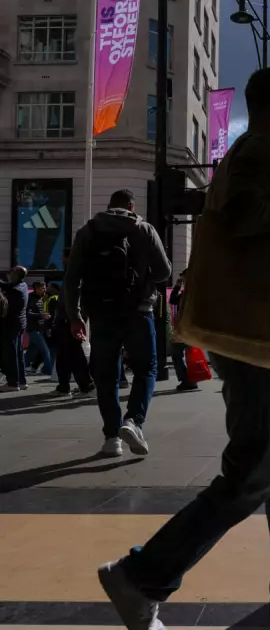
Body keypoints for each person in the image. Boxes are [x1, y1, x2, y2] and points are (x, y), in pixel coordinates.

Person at [95, 67, 270, 629]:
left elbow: (258, 225)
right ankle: (141, 575)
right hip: (257, 336)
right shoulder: (259, 149)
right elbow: (242, 218)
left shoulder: (258, 153)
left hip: (266, 339)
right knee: (253, 475)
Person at [65, 188, 171, 458]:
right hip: (139, 311)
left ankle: (112, 438)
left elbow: (72, 278)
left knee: (106, 376)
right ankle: (133, 421)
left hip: (101, 315)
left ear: (109, 205)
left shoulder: (87, 232)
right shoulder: (144, 229)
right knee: (146, 368)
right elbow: (164, 272)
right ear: (132, 206)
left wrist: (75, 316)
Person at [52, 249, 94, 397]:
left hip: (69, 319)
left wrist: (76, 318)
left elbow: (75, 299)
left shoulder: (76, 275)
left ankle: (86, 385)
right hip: (67, 318)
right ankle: (64, 386)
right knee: (64, 354)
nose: (62, 261)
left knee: (74, 354)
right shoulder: (74, 274)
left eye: (63, 258)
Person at [0, 266, 29, 392]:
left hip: (12, 325)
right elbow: (8, 286)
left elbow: (4, 304)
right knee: (18, 353)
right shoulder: (22, 285)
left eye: (11, 272)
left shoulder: (15, 291)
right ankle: (21, 381)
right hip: (20, 324)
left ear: (16, 274)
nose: (8, 274)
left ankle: (13, 383)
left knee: (11, 355)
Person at [169, 271, 199, 392]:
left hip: (188, 329)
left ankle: (188, 380)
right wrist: (177, 287)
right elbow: (172, 301)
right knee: (182, 352)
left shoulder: (193, 293)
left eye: (184, 279)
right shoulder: (186, 293)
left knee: (178, 352)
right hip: (185, 328)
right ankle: (190, 380)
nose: (183, 281)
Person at [24, 281, 53, 376]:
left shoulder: (43, 297)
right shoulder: (31, 298)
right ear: (35, 288)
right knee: (45, 350)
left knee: (32, 349)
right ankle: (49, 370)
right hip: (33, 329)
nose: (44, 290)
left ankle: (25, 366)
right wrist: (42, 315)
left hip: (40, 328)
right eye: (41, 288)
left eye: (44, 288)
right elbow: (28, 313)